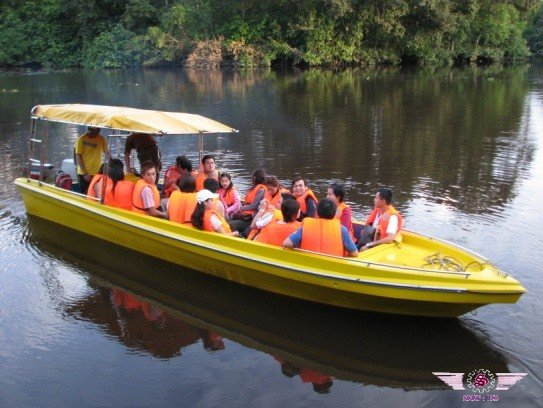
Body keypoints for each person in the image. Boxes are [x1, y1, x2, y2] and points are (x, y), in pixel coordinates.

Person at [283, 198, 358, 257]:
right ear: (334, 214)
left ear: (317, 213)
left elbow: (286, 243)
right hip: (332, 266)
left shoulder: (305, 227)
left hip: (309, 263)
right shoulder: (342, 230)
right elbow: (354, 253)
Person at [230, 169, 267, 236]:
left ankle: (238, 235)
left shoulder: (261, 190)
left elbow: (254, 206)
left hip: (250, 218)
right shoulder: (256, 188)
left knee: (230, 225)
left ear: (254, 178)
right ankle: (238, 233)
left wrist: (241, 208)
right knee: (231, 221)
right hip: (245, 216)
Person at [75, 126, 108, 194]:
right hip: (83, 173)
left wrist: (112, 161)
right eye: (96, 130)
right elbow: (78, 156)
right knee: (85, 194)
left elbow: (107, 152)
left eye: (99, 129)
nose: (98, 131)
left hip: (97, 172)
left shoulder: (101, 139)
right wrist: (85, 173)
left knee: (95, 194)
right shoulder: (82, 139)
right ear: (90, 129)